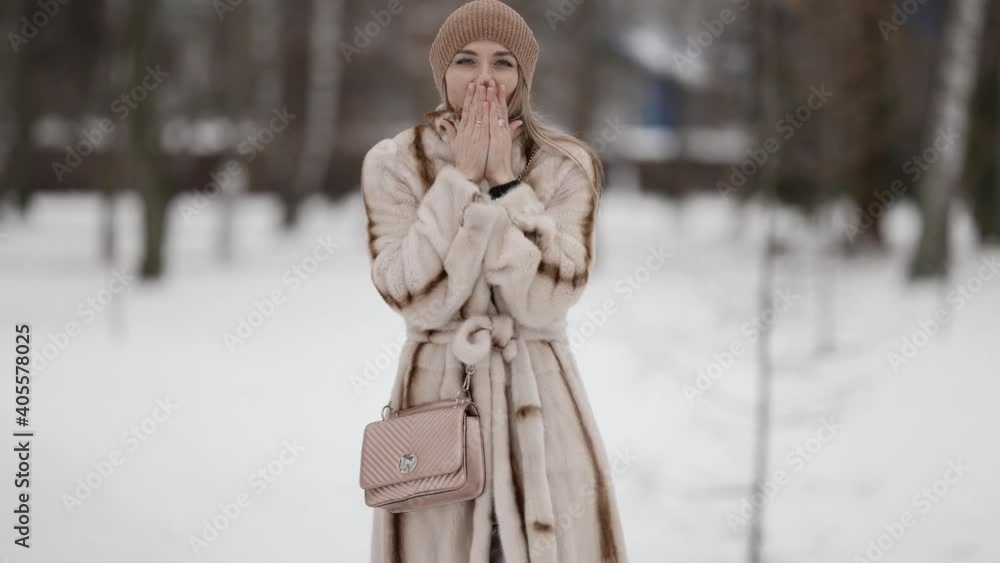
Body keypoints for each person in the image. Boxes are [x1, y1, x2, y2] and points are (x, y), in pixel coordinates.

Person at [361, 1, 629, 562]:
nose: (485, 78)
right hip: (436, 405)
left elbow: (551, 296)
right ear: (442, 73)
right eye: (466, 60)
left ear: (523, 76)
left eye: (503, 62)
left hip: (542, 412)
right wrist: (457, 180)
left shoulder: (565, 165)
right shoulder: (395, 163)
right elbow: (413, 297)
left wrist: (507, 186)